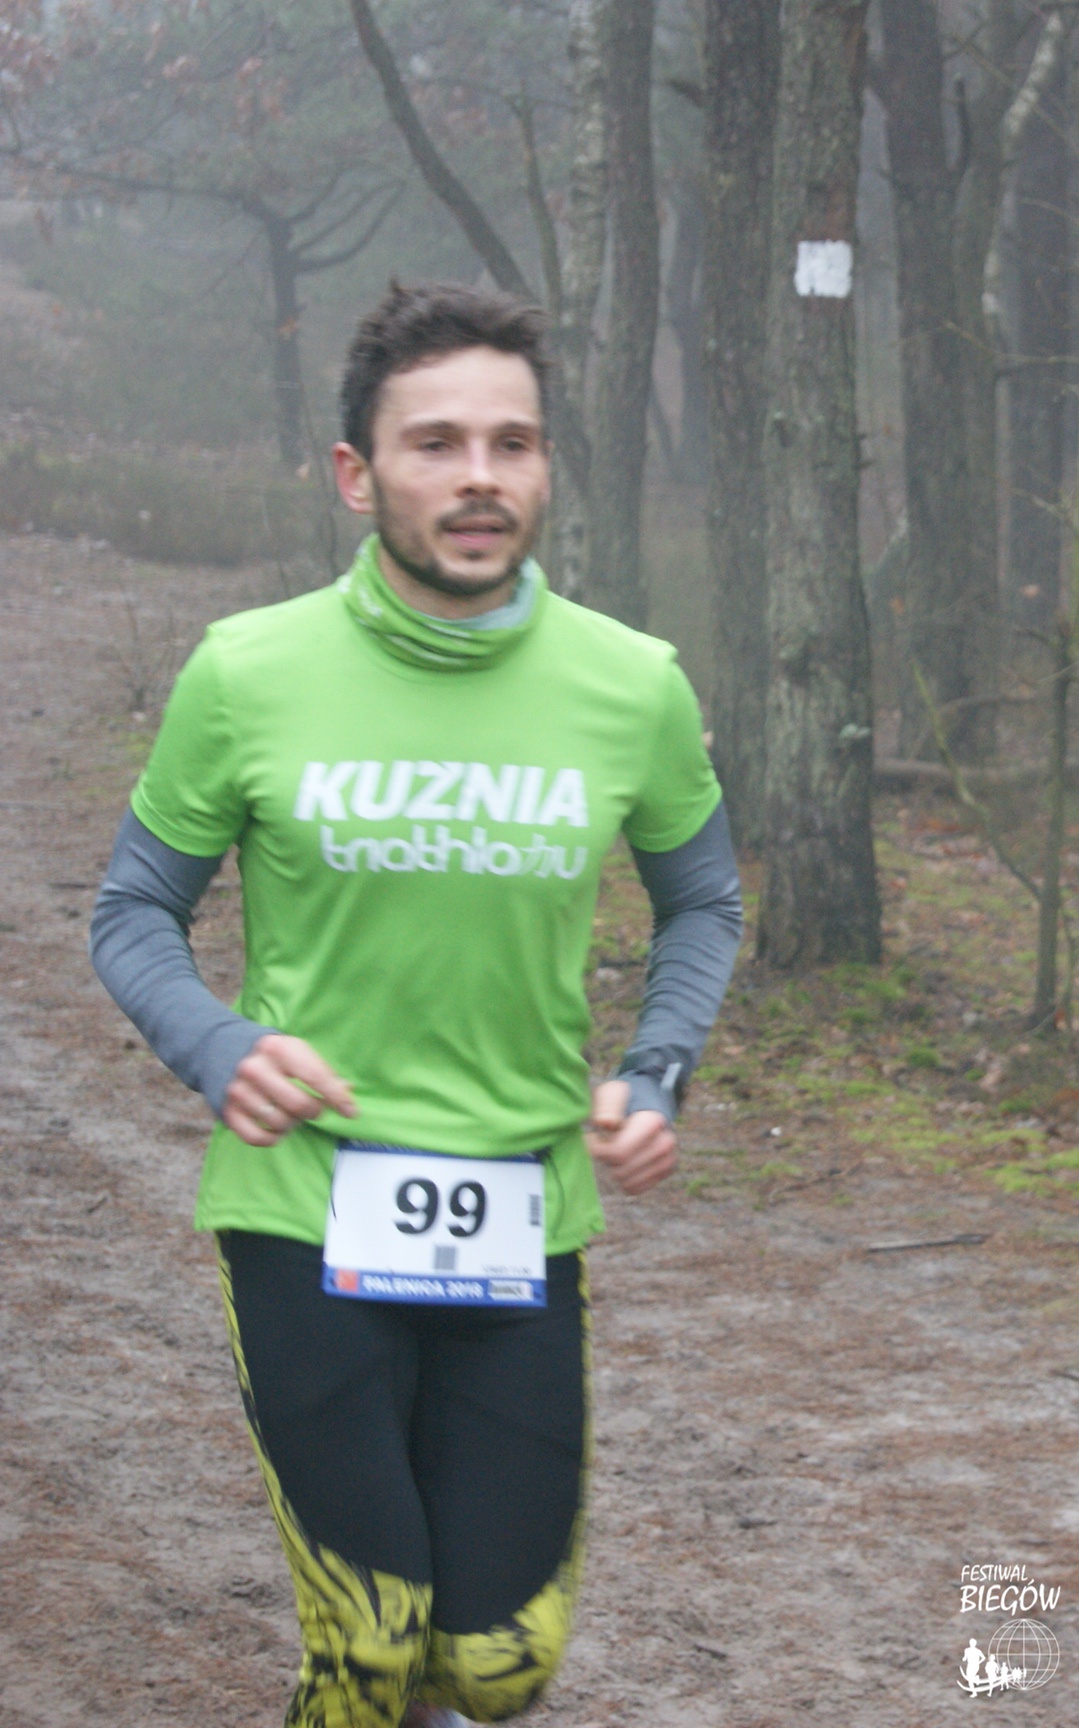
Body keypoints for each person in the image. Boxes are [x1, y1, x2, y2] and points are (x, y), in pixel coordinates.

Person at [91, 280, 742, 1728]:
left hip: (522, 1211)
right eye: (436, 444)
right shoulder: (246, 673)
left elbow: (703, 899)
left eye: (512, 444)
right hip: (304, 1206)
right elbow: (132, 911)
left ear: (547, 467)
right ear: (356, 473)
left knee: (496, 1666)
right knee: (372, 1651)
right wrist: (218, 1045)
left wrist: (659, 1069)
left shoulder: (630, 685)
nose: (478, 478)